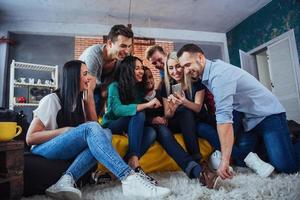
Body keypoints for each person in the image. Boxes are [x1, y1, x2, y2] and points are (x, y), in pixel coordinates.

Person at [26, 60, 171, 200]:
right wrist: (65, 131)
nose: (89, 77)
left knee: (105, 132)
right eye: (85, 74)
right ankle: (128, 178)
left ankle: (66, 179)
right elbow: (30, 138)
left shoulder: (79, 101)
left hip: (64, 148)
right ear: (73, 78)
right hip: (43, 149)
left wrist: (89, 97)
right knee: (96, 129)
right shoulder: (52, 99)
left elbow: (95, 128)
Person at [177, 43, 300, 180]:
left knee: (287, 167)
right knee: (242, 161)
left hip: (268, 115)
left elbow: (224, 119)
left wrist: (224, 160)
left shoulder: (219, 75)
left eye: (187, 65)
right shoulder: (209, 73)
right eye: (183, 67)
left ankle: (289, 136)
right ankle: (284, 140)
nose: (186, 71)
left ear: (200, 57)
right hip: (249, 120)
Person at [142, 66, 222, 189]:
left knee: (185, 113)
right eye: (144, 78)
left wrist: (171, 110)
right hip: (152, 126)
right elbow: (137, 117)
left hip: (167, 123)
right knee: (164, 132)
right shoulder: (138, 96)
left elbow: (168, 114)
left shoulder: (159, 93)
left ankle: (199, 163)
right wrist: (152, 120)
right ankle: (197, 170)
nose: (148, 80)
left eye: (150, 77)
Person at [102, 56, 162, 184]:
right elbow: (117, 110)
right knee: (139, 114)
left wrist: (153, 120)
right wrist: (146, 105)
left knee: (152, 132)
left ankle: (124, 166)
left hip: (129, 124)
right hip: (113, 124)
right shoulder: (114, 86)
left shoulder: (139, 89)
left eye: (141, 68)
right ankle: (134, 163)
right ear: (128, 70)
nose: (141, 71)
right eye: (137, 68)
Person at [79, 24, 133, 118]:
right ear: (109, 43)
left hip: (98, 91)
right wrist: (94, 124)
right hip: (80, 90)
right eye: (123, 46)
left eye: (129, 46)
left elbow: (105, 93)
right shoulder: (94, 55)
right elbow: (88, 93)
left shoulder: (121, 59)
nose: (127, 51)